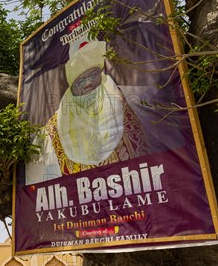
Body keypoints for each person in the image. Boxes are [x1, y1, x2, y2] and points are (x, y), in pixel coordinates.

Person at [25, 37, 147, 185]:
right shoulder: (51, 133)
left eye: (93, 75)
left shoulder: (133, 100)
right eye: (80, 81)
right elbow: (40, 185)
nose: (88, 83)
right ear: (71, 86)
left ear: (101, 73)